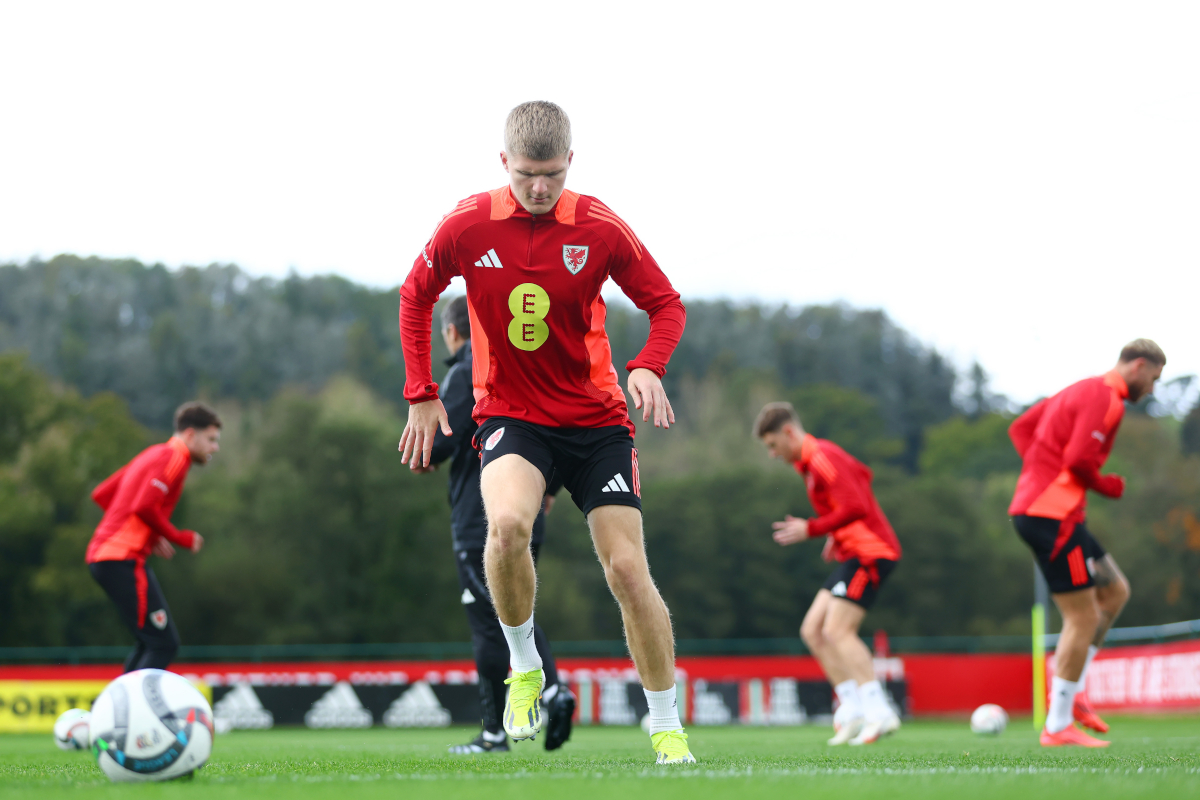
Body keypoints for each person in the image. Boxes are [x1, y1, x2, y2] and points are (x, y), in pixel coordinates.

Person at [398, 101, 693, 764]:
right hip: (511, 415)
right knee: (503, 529)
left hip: (596, 422)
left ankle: (666, 725)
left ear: (570, 166)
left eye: (553, 176)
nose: (540, 188)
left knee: (626, 569)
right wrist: (420, 393)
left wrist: (649, 364)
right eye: (529, 174)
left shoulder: (598, 224)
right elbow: (415, 295)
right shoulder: (468, 224)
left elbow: (665, 303)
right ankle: (525, 666)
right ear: (505, 163)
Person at [414, 295, 576, 754]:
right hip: (527, 512)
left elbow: (440, 440)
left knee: (492, 618)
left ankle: (526, 709)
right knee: (510, 608)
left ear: (451, 331)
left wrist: (424, 454)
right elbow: (566, 428)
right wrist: (548, 490)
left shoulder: (466, 371)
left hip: (479, 515)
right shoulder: (524, 368)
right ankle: (532, 704)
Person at [1009, 339, 1164, 747]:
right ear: (1139, 365)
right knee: (1083, 618)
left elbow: (1020, 428)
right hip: (1051, 516)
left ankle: (1073, 695)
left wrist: (1040, 473)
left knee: (1114, 592)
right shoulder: (1106, 398)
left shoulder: (1074, 390)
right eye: (1153, 379)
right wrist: (1107, 486)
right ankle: (1057, 725)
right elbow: (1079, 460)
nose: (1151, 389)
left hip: (1047, 511)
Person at [754, 401, 902, 746]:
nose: (773, 454)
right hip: (853, 552)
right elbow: (863, 475)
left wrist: (815, 529)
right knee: (813, 630)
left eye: (773, 445)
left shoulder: (822, 457)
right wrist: (836, 535)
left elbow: (857, 506)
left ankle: (880, 712)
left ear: (789, 432)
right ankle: (852, 709)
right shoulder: (809, 464)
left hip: (872, 553)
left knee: (838, 630)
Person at [86, 401, 219, 672]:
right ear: (191, 434)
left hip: (106, 557)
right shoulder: (175, 458)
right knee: (163, 644)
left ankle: (108, 713)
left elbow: (102, 493)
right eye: (211, 439)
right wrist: (179, 537)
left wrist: (150, 532)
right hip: (122, 558)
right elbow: (144, 506)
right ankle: (120, 714)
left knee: (151, 642)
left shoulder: (152, 454)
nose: (215, 448)